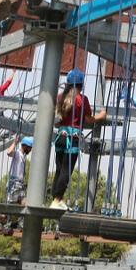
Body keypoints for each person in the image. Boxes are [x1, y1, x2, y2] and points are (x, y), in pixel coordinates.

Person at [51, 69, 107, 209]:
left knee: (59, 169)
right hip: (73, 138)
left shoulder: (60, 97)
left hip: (60, 136)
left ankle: (56, 200)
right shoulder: (82, 100)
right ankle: (57, 200)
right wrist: (102, 115)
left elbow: (58, 119)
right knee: (66, 170)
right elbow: (89, 119)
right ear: (81, 85)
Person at [5, 136, 31, 229]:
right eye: (29, 148)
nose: (30, 150)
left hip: (20, 184)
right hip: (14, 183)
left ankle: (20, 223)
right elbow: (9, 152)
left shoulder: (23, 156)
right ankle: (7, 222)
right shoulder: (17, 153)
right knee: (11, 203)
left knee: (25, 204)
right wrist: (15, 142)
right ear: (25, 146)